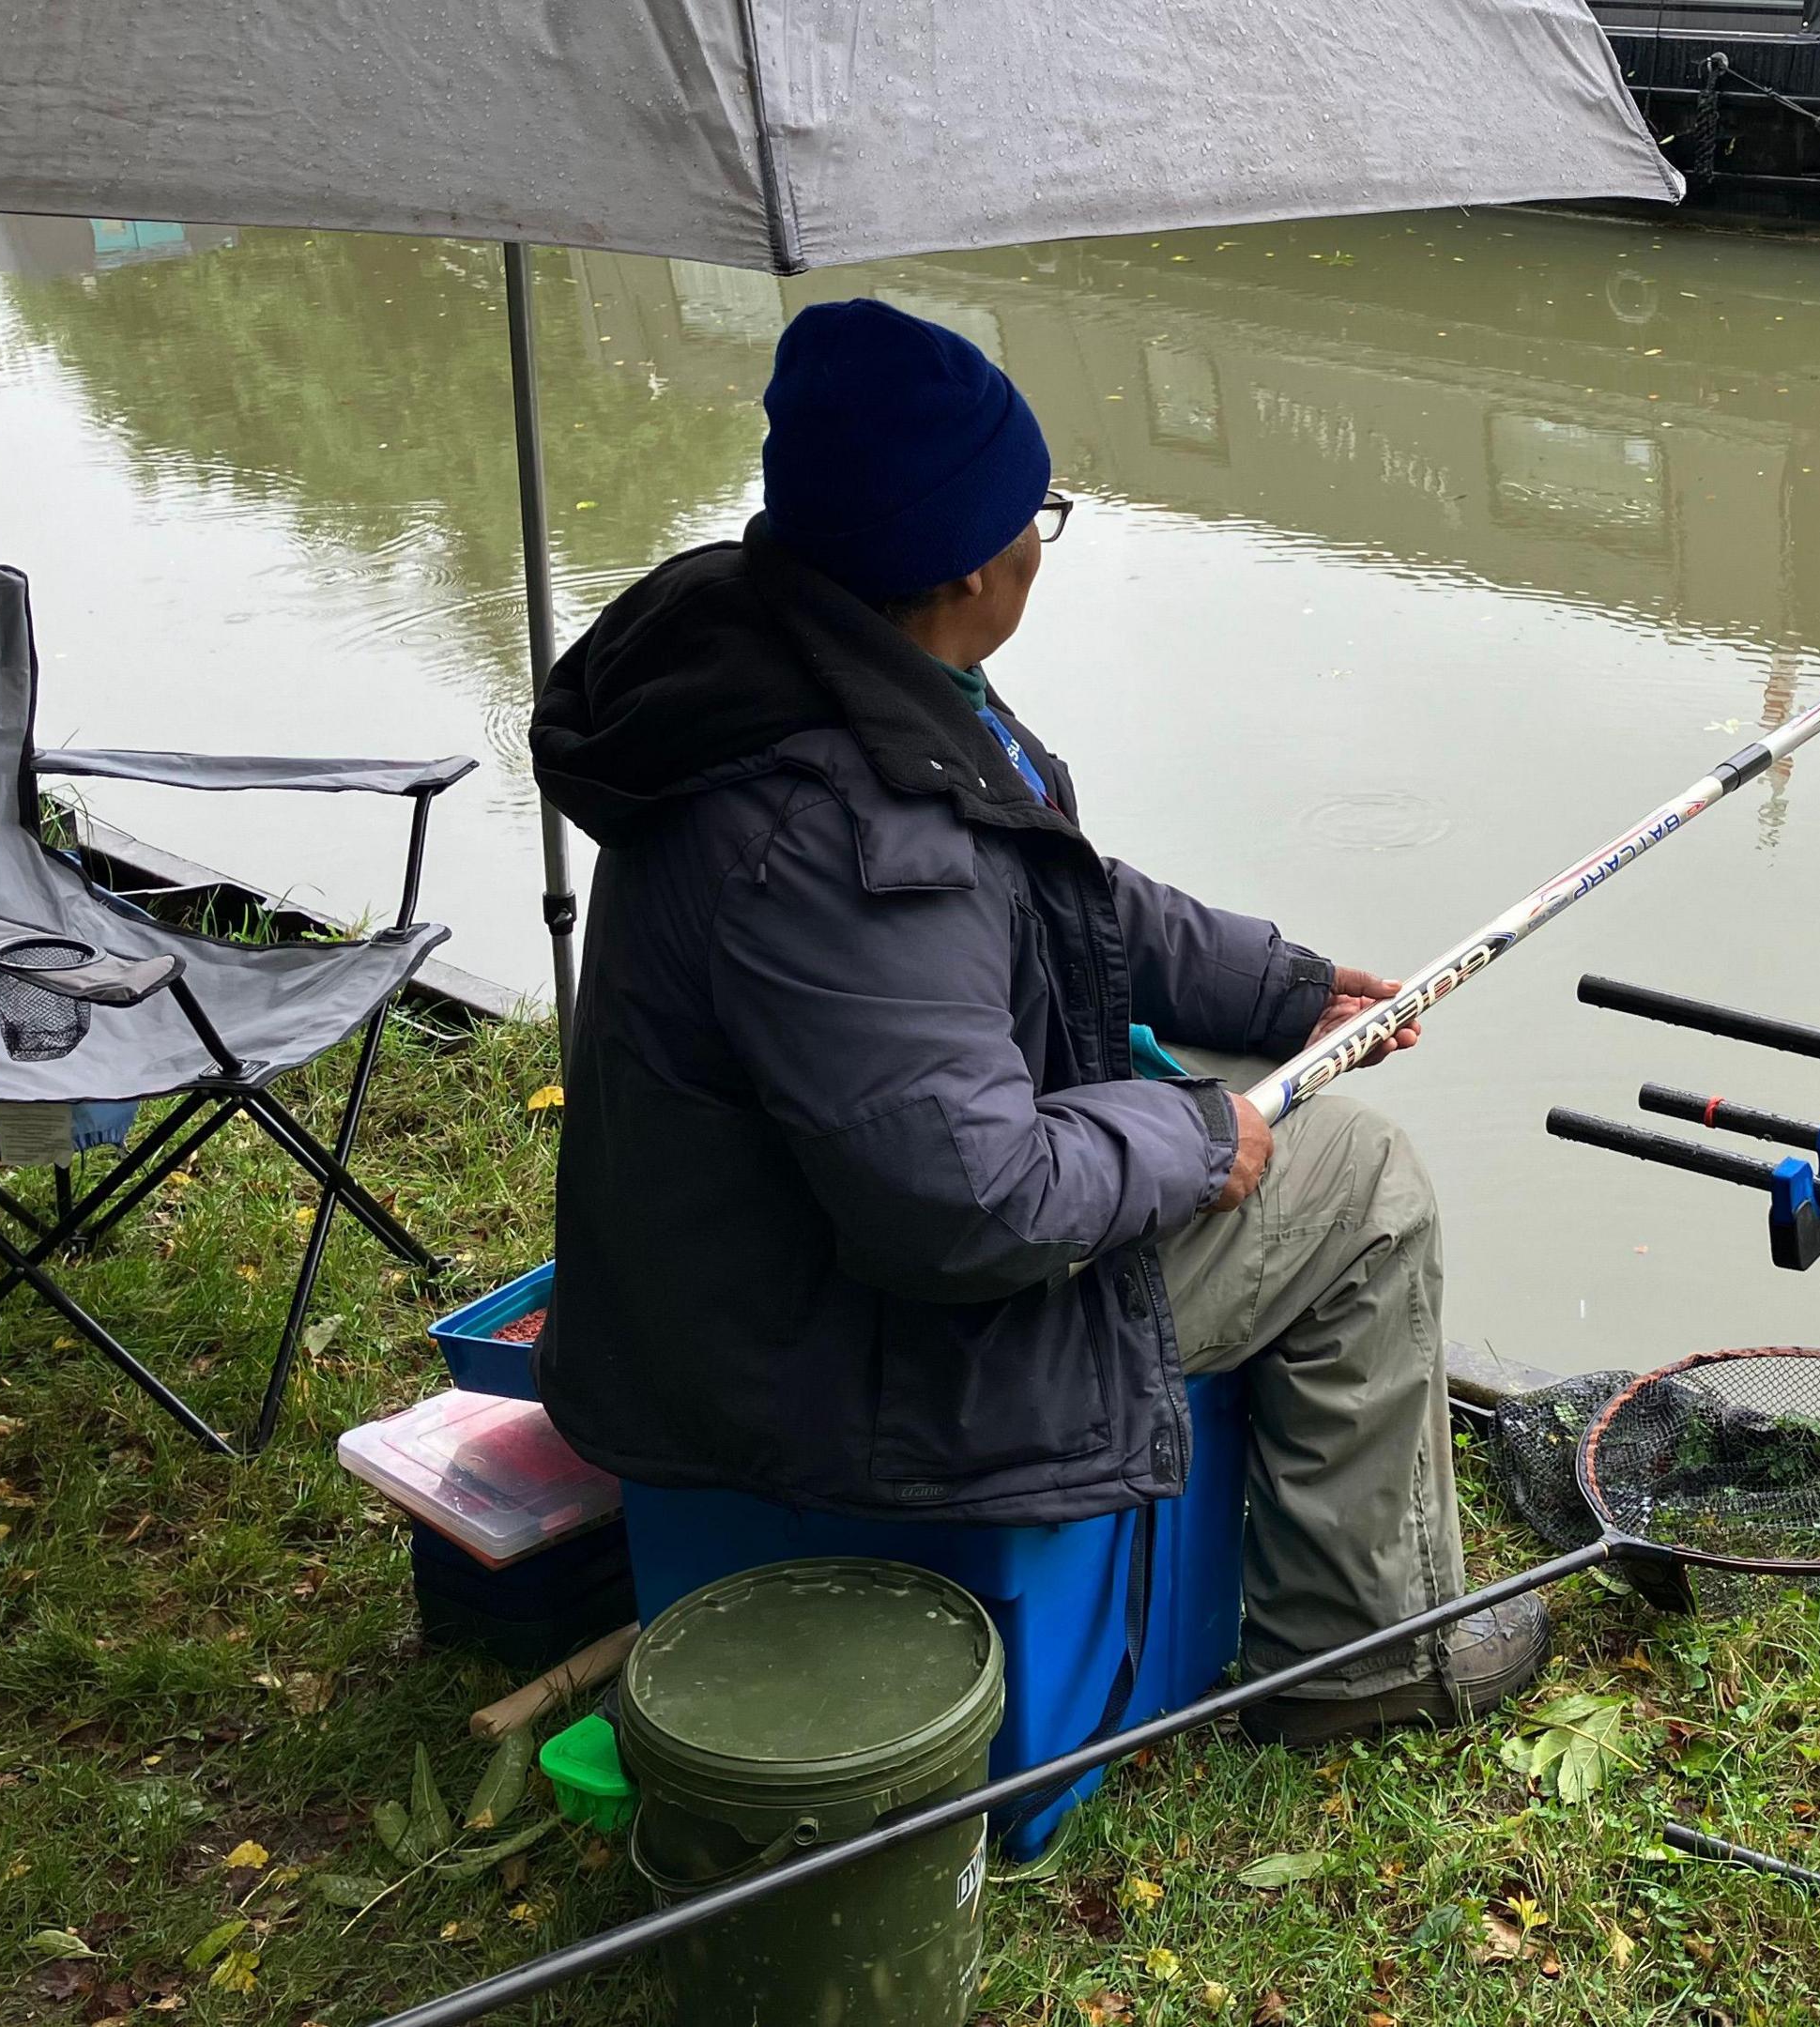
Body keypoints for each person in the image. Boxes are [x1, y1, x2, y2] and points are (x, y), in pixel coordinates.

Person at [525, 299, 1542, 1744]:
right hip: (836, 1364)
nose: (1039, 546)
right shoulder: (854, 838)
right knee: (1362, 1181)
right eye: (1037, 517)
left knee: (1277, 1083)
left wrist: (1283, 991)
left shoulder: (784, 665)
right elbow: (970, 1203)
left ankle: (1288, 1553)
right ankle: (1363, 1657)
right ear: (966, 567)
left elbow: (1048, 896)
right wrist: (1195, 1135)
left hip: (748, 1279)